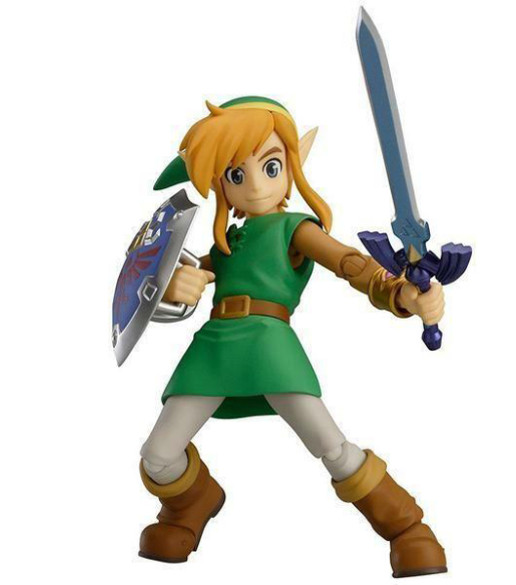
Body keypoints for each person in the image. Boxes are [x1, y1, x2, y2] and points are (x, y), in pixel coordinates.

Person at [139, 97, 447, 578]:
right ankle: (191, 504)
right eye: (236, 174)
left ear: (291, 166)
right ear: (220, 183)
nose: (255, 185)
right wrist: (178, 285)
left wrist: (400, 294)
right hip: (213, 349)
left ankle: (407, 528)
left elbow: (350, 264)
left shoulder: (294, 228)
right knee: (158, 456)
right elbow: (181, 280)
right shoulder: (229, 241)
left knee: (333, 448)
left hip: (270, 348)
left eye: (271, 166)